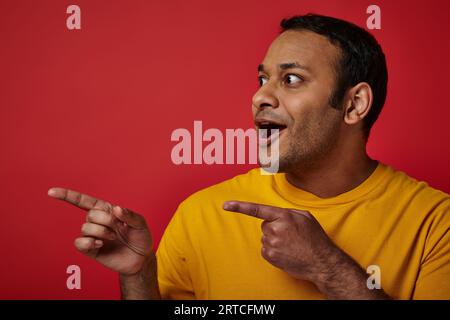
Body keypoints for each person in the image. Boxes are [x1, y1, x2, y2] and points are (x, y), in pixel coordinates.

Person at [48, 14, 450, 300]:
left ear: (354, 104)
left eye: (291, 79)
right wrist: (139, 276)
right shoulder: (203, 213)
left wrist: (325, 266)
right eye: (263, 79)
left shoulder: (435, 222)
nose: (260, 96)